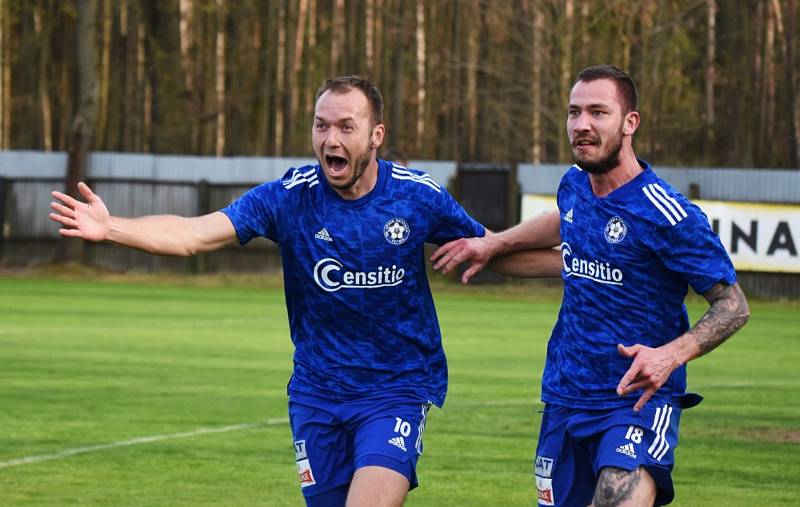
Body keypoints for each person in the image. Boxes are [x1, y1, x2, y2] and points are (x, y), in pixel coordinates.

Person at [49, 76, 487, 507]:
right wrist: (112, 228)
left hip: (396, 390)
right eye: (321, 125)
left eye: (345, 127)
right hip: (317, 394)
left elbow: (492, 246)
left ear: (376, 135)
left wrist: (558, 255)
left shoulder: (417, 196)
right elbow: (193, 234)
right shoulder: (288, 197)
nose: (330, 138)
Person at [431, 65, 750, 506]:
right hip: (564, 396)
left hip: (635, 402)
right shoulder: (575, 185)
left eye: (598, 112)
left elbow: (733, 306)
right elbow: (565, 227)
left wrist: (668, 357)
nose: (582, 124)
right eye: (574, 112)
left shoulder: (668, 215)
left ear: (630, 122)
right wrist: (494, 244)